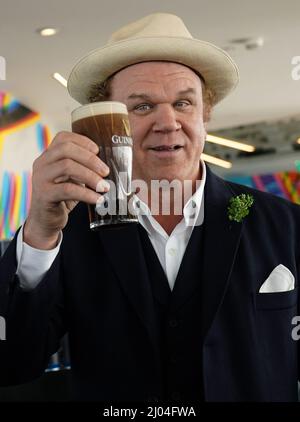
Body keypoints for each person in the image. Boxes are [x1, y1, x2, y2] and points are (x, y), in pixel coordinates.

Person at [0, 12, 300, 402]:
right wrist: (39, 230)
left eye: (183, 103)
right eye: (141, 107)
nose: (167, 121)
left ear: (205, 115)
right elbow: (11, 362)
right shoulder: (68, 231)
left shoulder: (286, 225)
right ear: (109, 121)